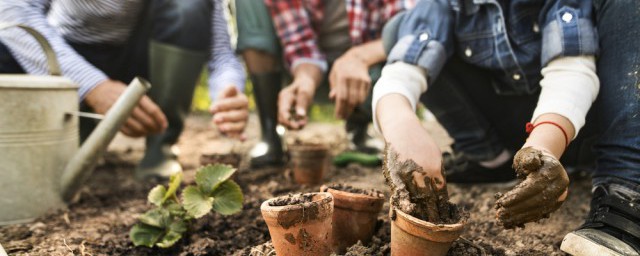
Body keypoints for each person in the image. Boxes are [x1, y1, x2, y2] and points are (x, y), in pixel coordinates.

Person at [376, 0, 639, 254]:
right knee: (398, 29)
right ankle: (491, 159)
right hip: (516, 134)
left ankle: (624, 192)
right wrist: (402, 126)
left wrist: (544, 146)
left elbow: (571, 70)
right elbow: (402, 72)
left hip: (584, 126)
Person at [0, 0, 248, 180]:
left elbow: (221, 54)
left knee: (189, 5)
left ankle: (161, 146)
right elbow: (12, 10)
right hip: (74, 54)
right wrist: (92, 87)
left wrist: (229, 91)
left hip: (144, 57)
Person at [235, 0, 418, 167]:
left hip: (367, 72)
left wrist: (358, 58)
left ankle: (359, 126)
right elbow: (301, 46)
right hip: (305, 72)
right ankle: (269, 132)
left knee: (408, 53)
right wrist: (305, 79)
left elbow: (409, 29)